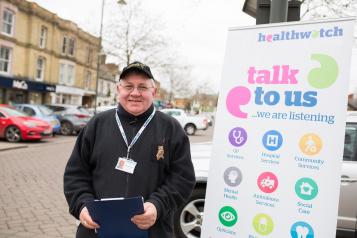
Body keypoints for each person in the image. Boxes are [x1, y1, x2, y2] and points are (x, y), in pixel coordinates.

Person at [63, 61, 196, 238]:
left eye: (142, 87)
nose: (135, 93)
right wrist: (82, 205)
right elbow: (76, 174)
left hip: (153, 231)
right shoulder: (97, 124)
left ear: (153, 92)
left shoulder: (171, 128)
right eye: (128, 86)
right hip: (97, 230)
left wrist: (158, 205)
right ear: (119, 90)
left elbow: (183, 178)